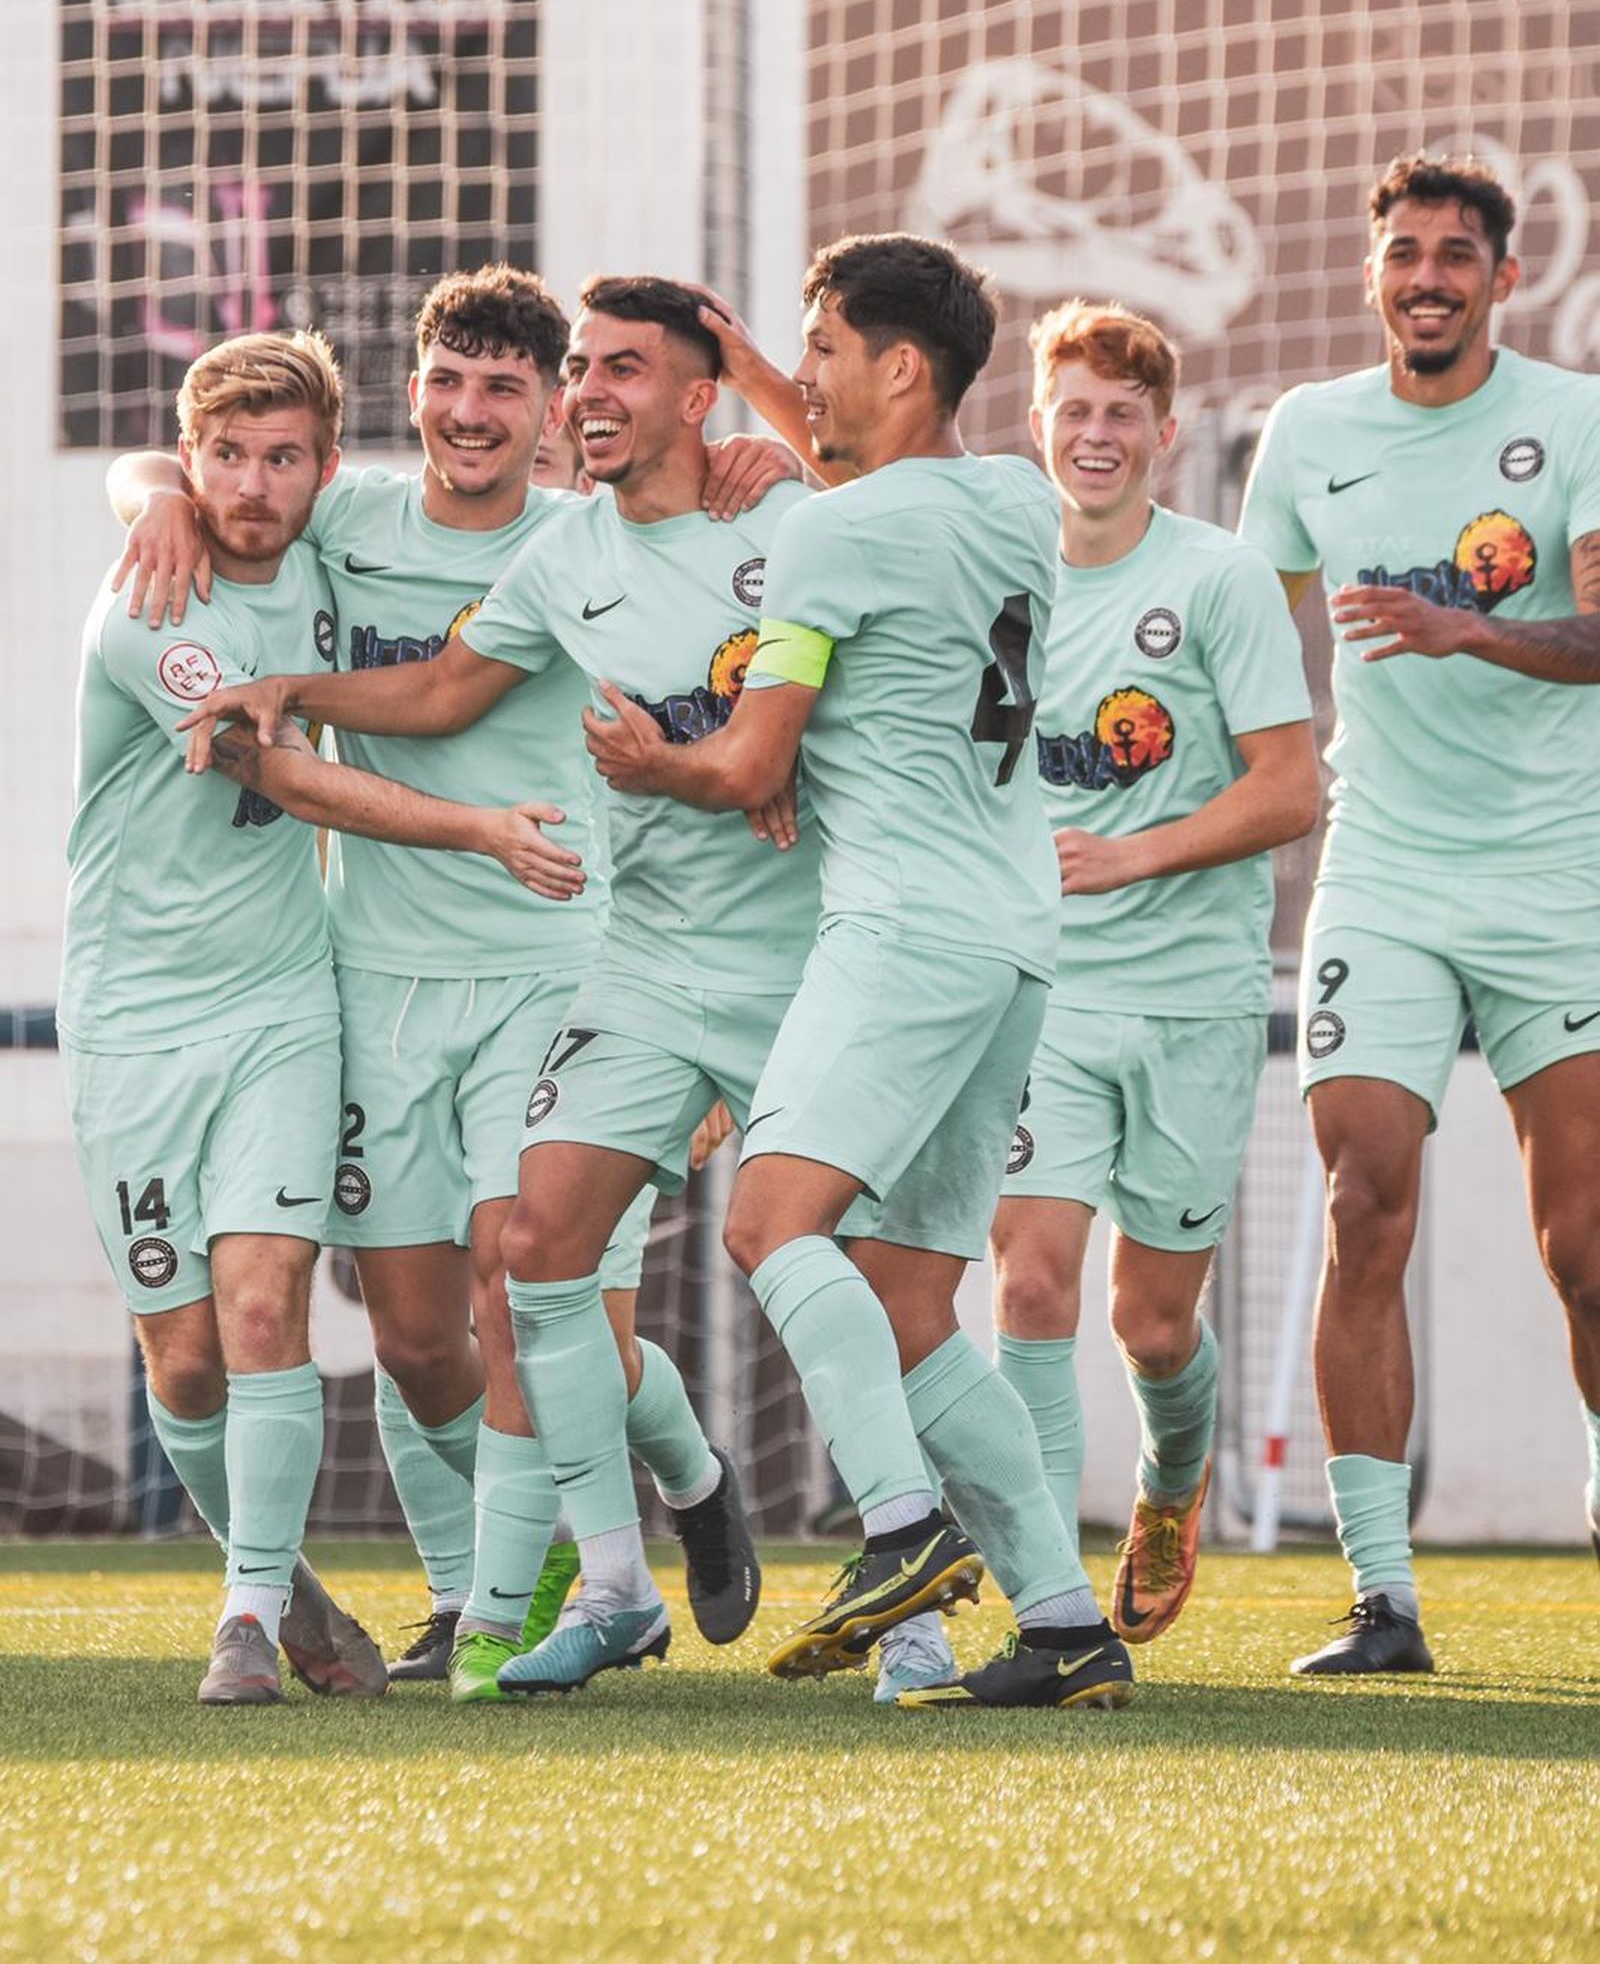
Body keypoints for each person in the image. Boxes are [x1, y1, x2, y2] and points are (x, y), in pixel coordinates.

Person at [110, 266, 789, 1700]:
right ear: (413, 392)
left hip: (558, 959)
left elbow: (747, 626)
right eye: (448, 382)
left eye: (505, 388)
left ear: (552, 411)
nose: (471, 412)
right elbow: (207, 473)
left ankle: (486, 1606)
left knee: (519, 1286)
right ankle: (684, 1461)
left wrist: (762, 451)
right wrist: (154, 495)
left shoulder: (585, 537)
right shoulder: (342, 520)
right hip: (374, 965)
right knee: (416, 1332)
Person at [587, 235, 1137, 1712]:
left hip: (898, 933)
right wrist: (779, 393)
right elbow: (894, 522)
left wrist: (666, 761)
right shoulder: (1020, 498)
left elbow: (750, 760)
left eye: (826, 344)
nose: (805, 369)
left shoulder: (830, 538)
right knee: (903, 1311)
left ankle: (901, 1526)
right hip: (1017, 941)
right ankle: (1068, 1620)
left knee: (770, 1224)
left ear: (902, 366)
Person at [65, 330, 573, 1705]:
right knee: (183, 1358)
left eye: (282, 456)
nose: (251, 482)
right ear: (194, 457)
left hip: (291, 996)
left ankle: (245, 1618)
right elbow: (279, 774)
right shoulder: (152, 603)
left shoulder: (336, 563)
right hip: (133, 1016)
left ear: (327, 471)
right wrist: (477, 826)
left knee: (264, 1302)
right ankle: (276, 1572)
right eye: (223, 455)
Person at [1240, 152, 1600, 1672]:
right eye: (1404, 251)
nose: (1429, 275)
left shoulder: (1573, 416)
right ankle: (1382, 1596)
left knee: (1584, 1247)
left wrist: (1470, 628)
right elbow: (1232, 637)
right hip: (1380, 869)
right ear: (1371, 270)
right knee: (1359, 1203)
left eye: (1458, 252)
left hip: (1555, 870)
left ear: (1506, 279)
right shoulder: (1308, 431)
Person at [977, 301, 1316, 1672]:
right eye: (1077, 408)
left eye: (1125, 412)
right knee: (1035, 1283)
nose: (1098, 433)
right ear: (1038, 423)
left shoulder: (1221, 581)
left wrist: (1132, 856)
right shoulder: (997, 582)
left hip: (1192, 996)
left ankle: (1175, 1477)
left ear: (1166, 437)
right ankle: (1051, 1605)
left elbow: (1290, 789)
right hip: (1045, 992)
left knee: (1152, 1320)